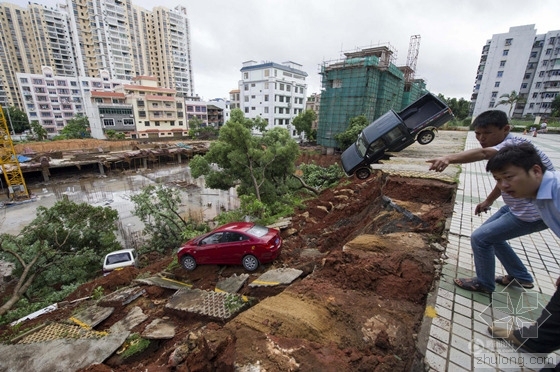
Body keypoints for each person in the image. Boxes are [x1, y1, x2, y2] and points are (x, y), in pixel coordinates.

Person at [427, 110, 554, 293]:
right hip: (516, 206)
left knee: (481, 238)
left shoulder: (514, 147)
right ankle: (520, 277)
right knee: (492, 237)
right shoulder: (509, 152)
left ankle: (484, 283)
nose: (481, 138)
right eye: (478, 133)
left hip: (532, 212)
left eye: (487, 133)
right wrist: (488, 200)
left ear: (506, 129)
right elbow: (504, 180)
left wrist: (448, 158)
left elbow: (483, 153)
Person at [485, 143, 560, 371]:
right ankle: (538, 340)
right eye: (498, 180)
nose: (503, 186)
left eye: (508, 177)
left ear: (536, 171)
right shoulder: (539, 194)